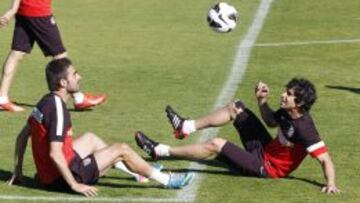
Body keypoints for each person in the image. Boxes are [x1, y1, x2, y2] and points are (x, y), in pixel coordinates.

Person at [8, 58, 194, 197]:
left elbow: (22, 137)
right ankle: (167, 180)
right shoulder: (58, 110)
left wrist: (17, 172)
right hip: (64, 177)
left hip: (50, 173)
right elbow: (55, 154)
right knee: (121, 150)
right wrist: (74, 185)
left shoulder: (45, 102)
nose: (79, 76)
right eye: (74, 74)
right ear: (63, 83)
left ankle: (136, 173)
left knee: (91, 138)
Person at [135, 78, 340, 194]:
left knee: (216, 144)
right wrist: (261, 101)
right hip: (264, 150)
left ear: (300, 103)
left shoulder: (305, 128)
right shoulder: (288, 112)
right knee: (237, 108)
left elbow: (325, 159)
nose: (283, 95)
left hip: (268, 168)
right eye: (285, 91)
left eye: (289, 94)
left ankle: (160, 151)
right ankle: (186, 127)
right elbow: (270, 121)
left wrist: (330, 183)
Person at [0, 0, 106, 112]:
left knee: (17, 53)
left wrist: (13, 9)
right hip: (39, 12)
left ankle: (2, 98)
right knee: (60, 55)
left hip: (24, 13)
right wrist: (13, 9)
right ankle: (78, 97)